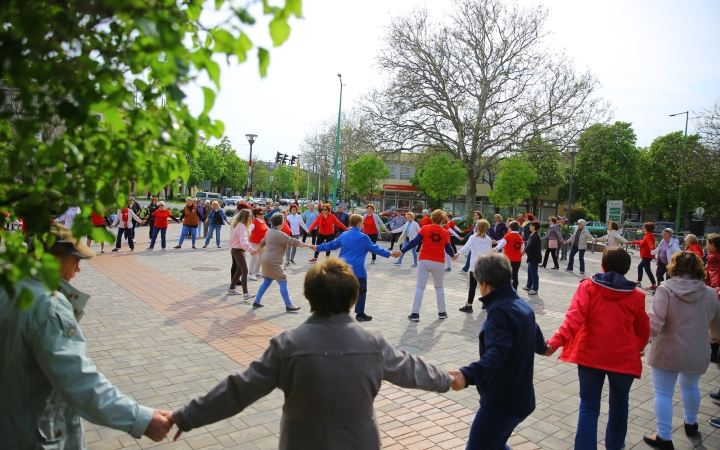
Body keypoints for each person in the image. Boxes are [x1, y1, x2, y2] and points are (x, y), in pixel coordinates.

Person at [164, 258, 453, 449]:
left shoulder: (287, 344)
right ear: (354, 299)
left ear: (308, 296)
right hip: (359, 441)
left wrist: (186, 416)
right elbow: (411, 369)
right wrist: (449, 378)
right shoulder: (373, 342)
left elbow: (239, 389)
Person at [0, 224, 173, 448]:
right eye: (76, 260)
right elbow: (78, 380)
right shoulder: (48, 307)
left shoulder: (10, 285)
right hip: (35, 434)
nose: (79, 269)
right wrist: (140, 419)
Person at [546, 247, 650, 450]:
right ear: (627, 269)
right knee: (620, 405)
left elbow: (574, 318)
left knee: (589, 407)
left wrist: (555, 343)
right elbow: (644, 329)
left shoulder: (588, 287)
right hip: (622, 358)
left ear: (602, 265)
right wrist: (637, 348)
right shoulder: (636, 296)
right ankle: (614, 445)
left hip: (590, 355)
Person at [448, 252, 548, 450]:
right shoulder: (522, 305)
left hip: (502, 402)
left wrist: (467, 375)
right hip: (521, 398)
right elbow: (539, 343)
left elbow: (497, 353)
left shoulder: (499, 310)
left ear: (484, 283)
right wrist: (547, 347)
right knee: (496, 444)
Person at [642, 251, 720, 448]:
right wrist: (712, 339)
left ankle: (664, 436)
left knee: (663, 392)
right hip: (697, 350)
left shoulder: (665, 289)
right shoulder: (711, 293)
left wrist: (641, 345)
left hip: (667, 349)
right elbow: (717, 326)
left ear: (674, 267)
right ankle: (691, 423)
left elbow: (654, 322)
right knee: (691, 386)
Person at [316, 214, 398, 321]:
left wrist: (317, 247)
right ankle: (360, 314)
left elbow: (331, 244)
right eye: (363, 223)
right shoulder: (364, 237)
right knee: (361, 291)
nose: (363, 225)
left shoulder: (344, 235)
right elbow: (375, 248)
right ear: (359, 224)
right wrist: (390, 253)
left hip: (342, 268)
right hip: (358, 270)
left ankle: (337, 313)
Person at [251, 213, 314, 311]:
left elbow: (262, 242)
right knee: (283, 280)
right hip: (274, 262)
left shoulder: (270, 232)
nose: (285, 222)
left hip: (266, 259)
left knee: (267, 281)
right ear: (281, 223)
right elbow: (295, 242)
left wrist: (257, 251)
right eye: (284, 220)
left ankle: (256, 301)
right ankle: (289, 305)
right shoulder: (280, 234)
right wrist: (309, 246)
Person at [400, 209, 455, 322]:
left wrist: (401, 251)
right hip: (439, 261)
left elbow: (414, 242)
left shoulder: (425, 228)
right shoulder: (445, 232)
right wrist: (453, 255)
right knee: (439, 287)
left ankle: (415, 314)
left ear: (432, 218)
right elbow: (448, 248)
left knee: (420, 287)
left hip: (424, 260)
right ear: (442, 220)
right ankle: (442, 312)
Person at [456, 219, 493, 313]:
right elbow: (490, 252)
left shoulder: (473, 237)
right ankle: (485, 303)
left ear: (477, 227)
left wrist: (457, 253)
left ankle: (469, 305)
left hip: (475, 265)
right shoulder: (488, 239)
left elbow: (466, 247)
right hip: (485, 264)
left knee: (472, 286)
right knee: (484, 285)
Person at [227, 209, 257, 300]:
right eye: (249, 216)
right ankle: (246, 293)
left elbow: (243, 241)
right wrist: (251, 249)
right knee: (245, 270)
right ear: (245, 216)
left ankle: (231, 289)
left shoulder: (241, 225)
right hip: (238, 250)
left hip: (239, 250)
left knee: (240, 271)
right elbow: (243, 241)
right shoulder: (241, 226)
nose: (251, 217)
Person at [493, 221, 524, 290]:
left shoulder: (508, 236)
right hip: (517, 259)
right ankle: (514, 289)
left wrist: (496, 248)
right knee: (515, 275)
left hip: (508, 258)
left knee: (506, 275)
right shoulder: (520, 237)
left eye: (509, 227)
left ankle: (506, 289)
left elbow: (502, 243)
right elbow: (523, 248)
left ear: (511, 228)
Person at [630, 222, 657, 290]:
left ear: (646, 228)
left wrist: (652, 250)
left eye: (644, 227)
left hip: (647, 255)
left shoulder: (648, 236)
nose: (643, 228)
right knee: (640, 267)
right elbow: (641, 242)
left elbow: (650, 244)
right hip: (646, 255)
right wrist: (632, 242)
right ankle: (639, 281)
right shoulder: (648, 235)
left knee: (647, 270)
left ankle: (653, 284)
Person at [522, 221, 542, 295]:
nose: (529, 226)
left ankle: (535, 288)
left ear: (534, 227)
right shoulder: (532, 235)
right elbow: (528, 242)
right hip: (531, 257)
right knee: (530, 272)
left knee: (534, 273)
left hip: (534, 257)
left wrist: (524, 251)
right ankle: (528, 285)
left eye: (531, 225)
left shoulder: (536, 236)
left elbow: (530, 244)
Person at [248, 208, 268, 281]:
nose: (263, 214)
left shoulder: (263, 221)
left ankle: (256, 271)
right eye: (261, 214)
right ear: (257, 215)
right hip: (254, 242)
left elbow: (267, 229)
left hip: (262, 243)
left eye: (263, 213)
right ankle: (251, 273)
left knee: (261, 257)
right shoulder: (254, 222)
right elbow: (249, 230)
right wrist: (247, 238)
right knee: (254, 257)